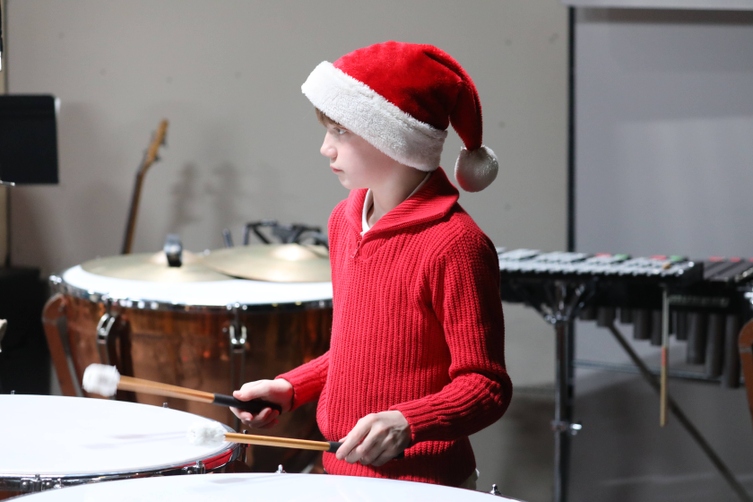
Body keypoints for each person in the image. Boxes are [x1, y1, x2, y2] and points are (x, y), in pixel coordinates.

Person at [232, 40, 512, 489]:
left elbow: (486, 386)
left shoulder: (456, 245)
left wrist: (409, 420)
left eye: (341, 131)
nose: (326, 148)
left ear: (394, 138)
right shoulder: (344, 220)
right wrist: (292, 387)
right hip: (341, 474)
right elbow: (362, 350)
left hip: (426, 484)